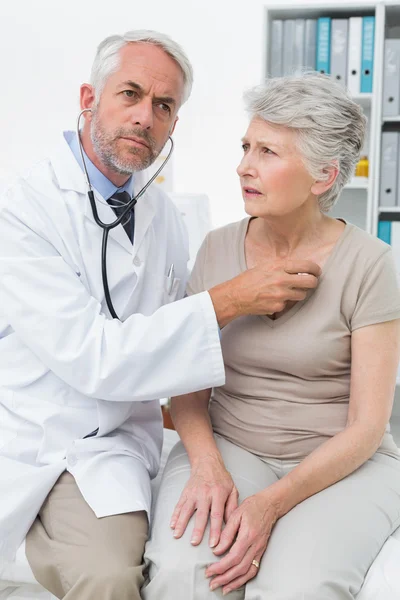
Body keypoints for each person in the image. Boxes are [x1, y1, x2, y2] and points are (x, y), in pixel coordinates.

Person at [0, 32, 320, 600]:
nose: (145, 117)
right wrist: (230, 301)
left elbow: (174, 346)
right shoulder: (23, 208)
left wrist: (209, 447)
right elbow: (92, 355)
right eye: (130, 94)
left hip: (117, 441)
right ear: (88, 98)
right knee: (110, 578)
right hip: (35, 433)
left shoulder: (163, 215)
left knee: (163, 562)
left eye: (164, 105)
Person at [142, 73, 400, 600]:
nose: (244, 166)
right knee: (183, 574)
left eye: (268, 152)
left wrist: (270, 503)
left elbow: (367, 427)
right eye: (245, 147)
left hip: (340, 462)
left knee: (297, 587)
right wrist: (208, 467)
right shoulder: (216, 249)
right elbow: (186, 385)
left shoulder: (372, 265)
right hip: (232, 446)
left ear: (323, 176)